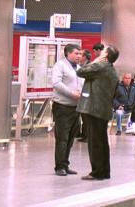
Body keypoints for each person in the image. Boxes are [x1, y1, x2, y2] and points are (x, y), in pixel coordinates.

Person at [76, 45, 120, 180]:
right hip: (103, 109)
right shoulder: (112, 70)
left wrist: (97, 60)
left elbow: (81, 71)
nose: (100, 53)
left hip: (94, 109)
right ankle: (105, 171)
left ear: (105, 56)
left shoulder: (100, 66)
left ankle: (97, 172)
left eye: (103, 51)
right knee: (102, 142)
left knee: (95, 142)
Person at [51, 44, 82, 177]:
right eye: (76, 53)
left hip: (76, 108)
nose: (79, 56)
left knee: (70, 138)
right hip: (62, 106)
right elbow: (56, 83)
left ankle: (65, 164)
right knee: (62, 138)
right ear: (68, 53)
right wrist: (71, 94)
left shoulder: (79, 68)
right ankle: (59, 167)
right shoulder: (60, 65)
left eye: (80, 54)